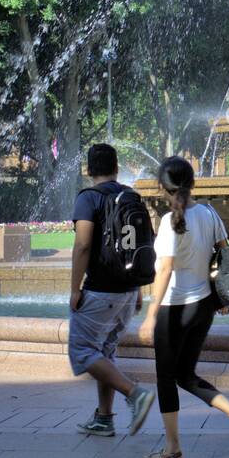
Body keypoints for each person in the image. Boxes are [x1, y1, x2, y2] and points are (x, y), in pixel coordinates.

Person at [137, 156, 229, 458]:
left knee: (167, 379)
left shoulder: (169, 223)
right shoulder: (209, 213)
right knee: (185, 376)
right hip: (203, 306)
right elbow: (224, 254)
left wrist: (151, 315)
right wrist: (221, 299)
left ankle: (172, 449)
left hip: (173, 309)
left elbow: (165, 270)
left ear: (163, 188)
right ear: (192, 184)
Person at [68, 143, 155, 437]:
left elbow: (82, 245)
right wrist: (139, 286)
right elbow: (140, 246)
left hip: (101, 289)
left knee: (82, 351)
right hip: (129, 291)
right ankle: (104, 418)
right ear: (117, 168)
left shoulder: (88, 198)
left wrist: (74, 289)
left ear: (88, 170)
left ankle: (134, 393)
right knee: (104, 351)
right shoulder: (130, 196)